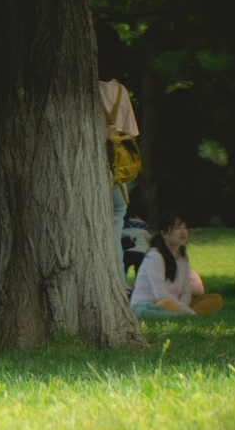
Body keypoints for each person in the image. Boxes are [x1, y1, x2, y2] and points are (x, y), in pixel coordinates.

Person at [96, 31, 142, 255]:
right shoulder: (122, 91)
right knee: (117, 214)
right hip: (116, 169)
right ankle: (117, 273)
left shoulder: (83, 89)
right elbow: (130, 134)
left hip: (89, 166)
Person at [130, 214, 224, 317]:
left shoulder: (182, 258)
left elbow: (186, 292)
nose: (183, 231)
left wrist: (183, 307)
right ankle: (188, 315)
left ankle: (185, 314)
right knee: (166, 303)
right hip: (150, 306)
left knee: (216, 299)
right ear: (164, 234)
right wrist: (187, 310)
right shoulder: (155, 256)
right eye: (177, 228)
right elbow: (161, 295)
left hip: (173, 306)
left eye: (185, 227)